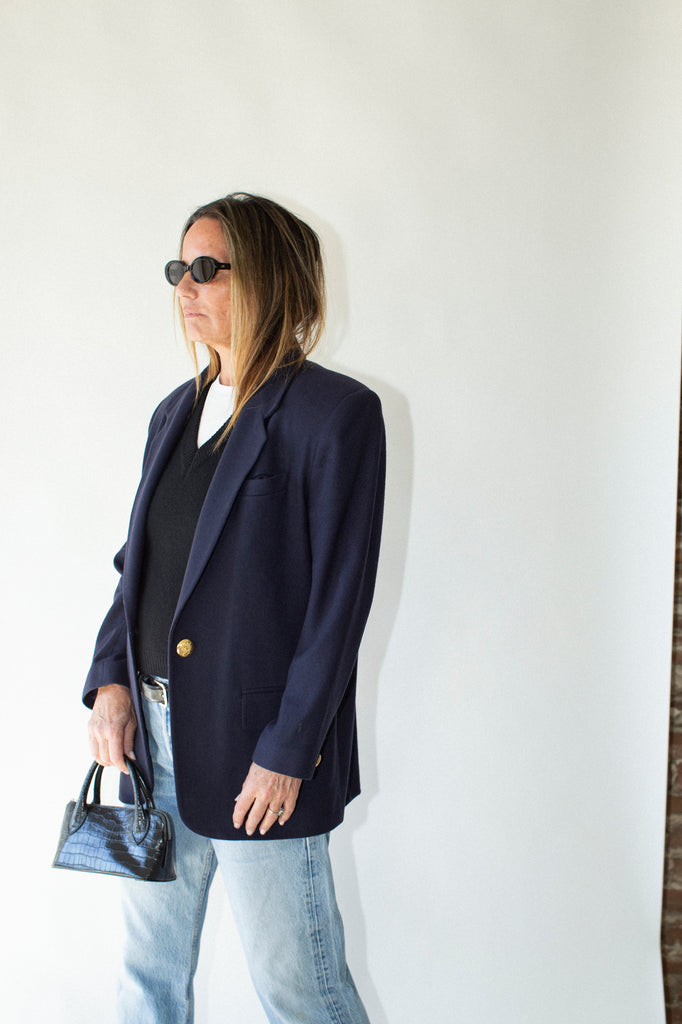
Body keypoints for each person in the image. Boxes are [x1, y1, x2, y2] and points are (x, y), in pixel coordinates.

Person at [83, 192, 386, 1024]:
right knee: (147, 974)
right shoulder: (172, 414)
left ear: (273, 279)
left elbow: (339, 604)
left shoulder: (334, 415)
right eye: (180, 268)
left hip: (261, 758)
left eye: (210, 268)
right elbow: (137, 567)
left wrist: (290, 751)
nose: (188, 285)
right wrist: (110, 682)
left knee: (299, 991)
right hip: (152, 742)